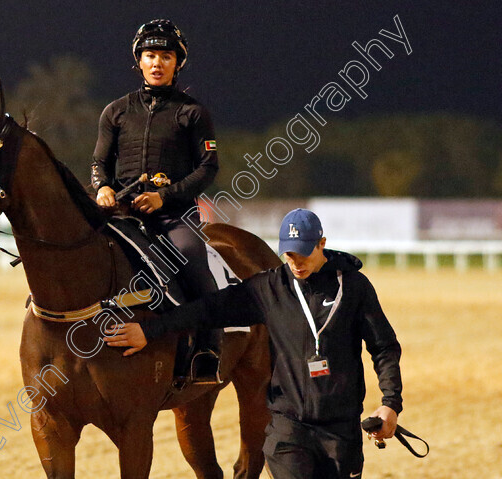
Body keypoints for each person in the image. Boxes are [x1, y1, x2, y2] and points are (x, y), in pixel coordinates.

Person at [104, 208, 403, 479]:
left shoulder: (354, 287)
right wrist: (150, 330)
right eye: (289, 255)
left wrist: (390, 403)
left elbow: (384, 346)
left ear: (321, 244)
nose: (296, 263)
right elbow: (206, 310)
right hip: (288, 429)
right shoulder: (268, 287)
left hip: (341, 430)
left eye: (303, 254)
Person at [91, 19, 219, 299]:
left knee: (190, 258)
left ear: (178, 63)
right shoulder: (115, 111)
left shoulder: (194, 113)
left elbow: (208, 167)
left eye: (166, 56)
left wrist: (164, 197)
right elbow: (99, 164)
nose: (157, 63)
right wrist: (103, 187)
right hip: (122, 213)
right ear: (139, 61)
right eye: (149, 56)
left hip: (174, 216)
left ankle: (209, 340)